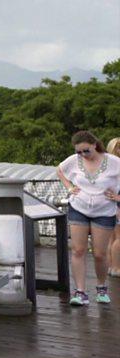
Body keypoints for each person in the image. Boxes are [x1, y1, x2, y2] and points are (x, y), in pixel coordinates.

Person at [57, 130, 119, 306]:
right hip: (79, 208)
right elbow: (60, 170)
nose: (83, 154)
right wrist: (69, 187)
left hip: (104, 211)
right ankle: (80, 292)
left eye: (86, 151)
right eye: (79, 152)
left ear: (94, 145)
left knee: (99, 254)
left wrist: (118, 197)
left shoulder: (114, 162)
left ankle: (101, 288)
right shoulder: (74, 161)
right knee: (78, 250)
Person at [108, 137, 120, 278]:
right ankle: (117, 268)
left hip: (109, 206)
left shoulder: (108, 165)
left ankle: (111, 266)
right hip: (117, 206)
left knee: (111, 238)